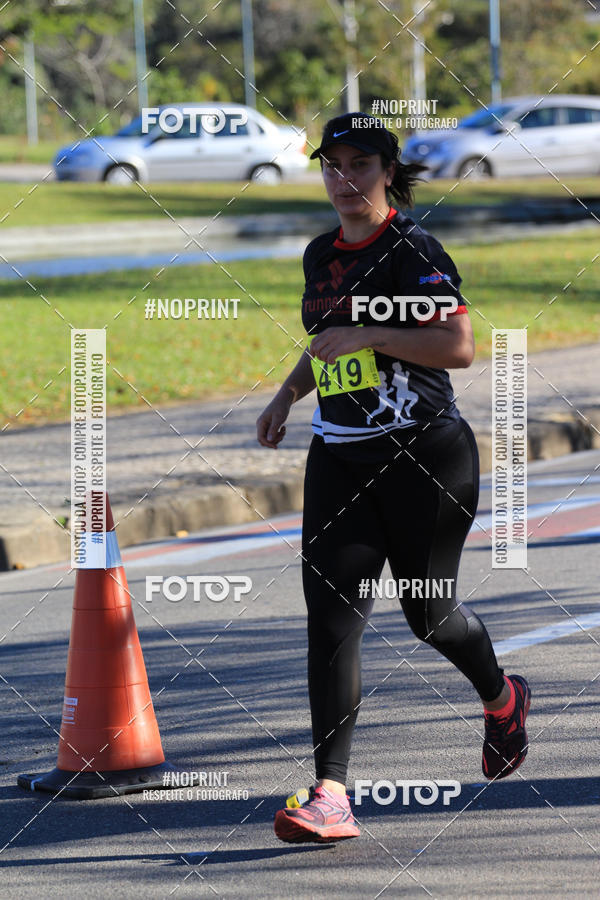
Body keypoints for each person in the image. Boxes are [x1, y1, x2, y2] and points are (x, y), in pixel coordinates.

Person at [256, 112, 531, 844]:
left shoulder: (413, 249)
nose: (343, 180)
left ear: (387, 170)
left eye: (359, 166)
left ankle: (504, 698)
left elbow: (460, 347)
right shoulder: (321, 253)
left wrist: (376, 334)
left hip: (425, 459)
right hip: (339, 457)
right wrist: (288, 393)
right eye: (331, 166)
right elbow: (327, 340)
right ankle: (332, 795)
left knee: (428, 615)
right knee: (333, 620)